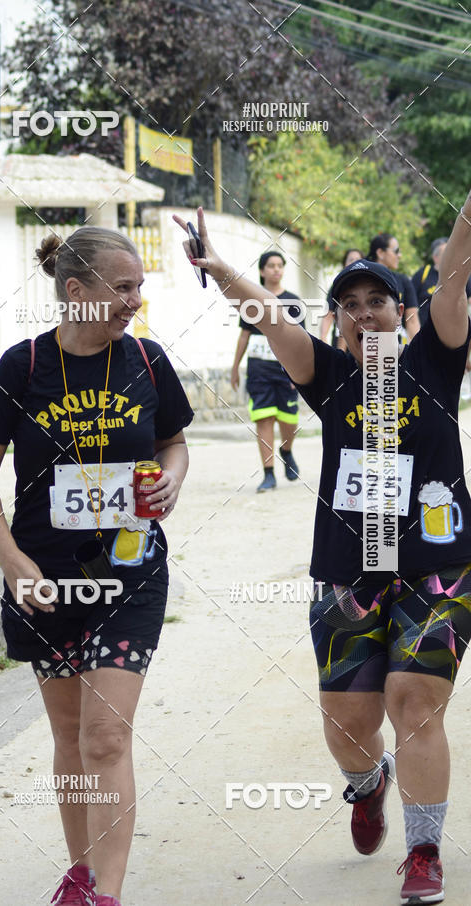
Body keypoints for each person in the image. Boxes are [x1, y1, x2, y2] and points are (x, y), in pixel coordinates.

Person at [175, 202, 471, 905]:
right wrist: (219, 268)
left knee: (414, 700)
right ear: (337, 322)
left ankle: (423, 850)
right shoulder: (330, 375)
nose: (364, 314)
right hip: (348, 569)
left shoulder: (435, 356)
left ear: (403, 313)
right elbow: (268, 317)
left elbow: (456, 271)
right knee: (349, 720)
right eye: (350, 306)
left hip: (437, 565)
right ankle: (368, 784)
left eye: (377, 302)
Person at [0, 227, 193, 906]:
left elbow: (174, 443)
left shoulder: (147, 361)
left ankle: (107, 892)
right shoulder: (23, 366)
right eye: (123, 287)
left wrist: (173, 478)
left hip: (131, 575)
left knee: (104, 736)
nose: (136, 300)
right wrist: (11, 560)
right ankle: (81, 869)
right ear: (77, 290)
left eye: (139, 287)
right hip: (46, 580)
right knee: (71, 737)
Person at [230, 250, 300, 491]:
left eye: (280, 265)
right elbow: (244, 336)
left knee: (289, 420)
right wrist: (235, 368)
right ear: (262, 270)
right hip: (259, 370)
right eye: (271, 265)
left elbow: (300, 339)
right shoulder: (252, 300)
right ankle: (268, 473)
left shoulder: (293, 301)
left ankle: (286, 450)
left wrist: (297, 371)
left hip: (285, 370)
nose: (276, 269)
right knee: (264, 419)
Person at [368, 233, 421, 340]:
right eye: (396, 251)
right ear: (380, 253)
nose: (399, 255)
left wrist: (417, 348)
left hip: (393, 345)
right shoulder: (362, 279)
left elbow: (412, 320)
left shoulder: (403, 281)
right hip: (365, 342)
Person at [412, 237, 471, 326]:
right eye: (447, 253)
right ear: (435, 257)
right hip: (426, 329)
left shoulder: (461, 275)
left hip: (454, 329)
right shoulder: (422, 274)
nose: (452, 257)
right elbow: (410, 306)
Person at [321, 248, 363, 351]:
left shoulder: (369, 287)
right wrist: (323, 337)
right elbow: (328, 314)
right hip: (340, 343)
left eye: (358, 260)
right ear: (344, 264)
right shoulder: (337, 286)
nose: (354, 262)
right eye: (351, 260)